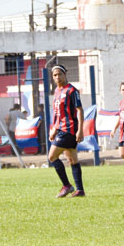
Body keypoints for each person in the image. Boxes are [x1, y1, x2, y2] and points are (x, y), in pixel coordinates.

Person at [48, 65, 86, 198]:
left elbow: (80, 110)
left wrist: (80, 130)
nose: (57, 77)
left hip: (68, 129)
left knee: (52, 157)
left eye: (59, 74)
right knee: (72, 160)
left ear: (65, 74)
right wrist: (53, 128)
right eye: (55, 75)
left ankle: (67, 185)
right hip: (60, 129)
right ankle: (80, 190)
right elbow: (56, 113)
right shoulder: (57, 91)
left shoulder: (72, 91)